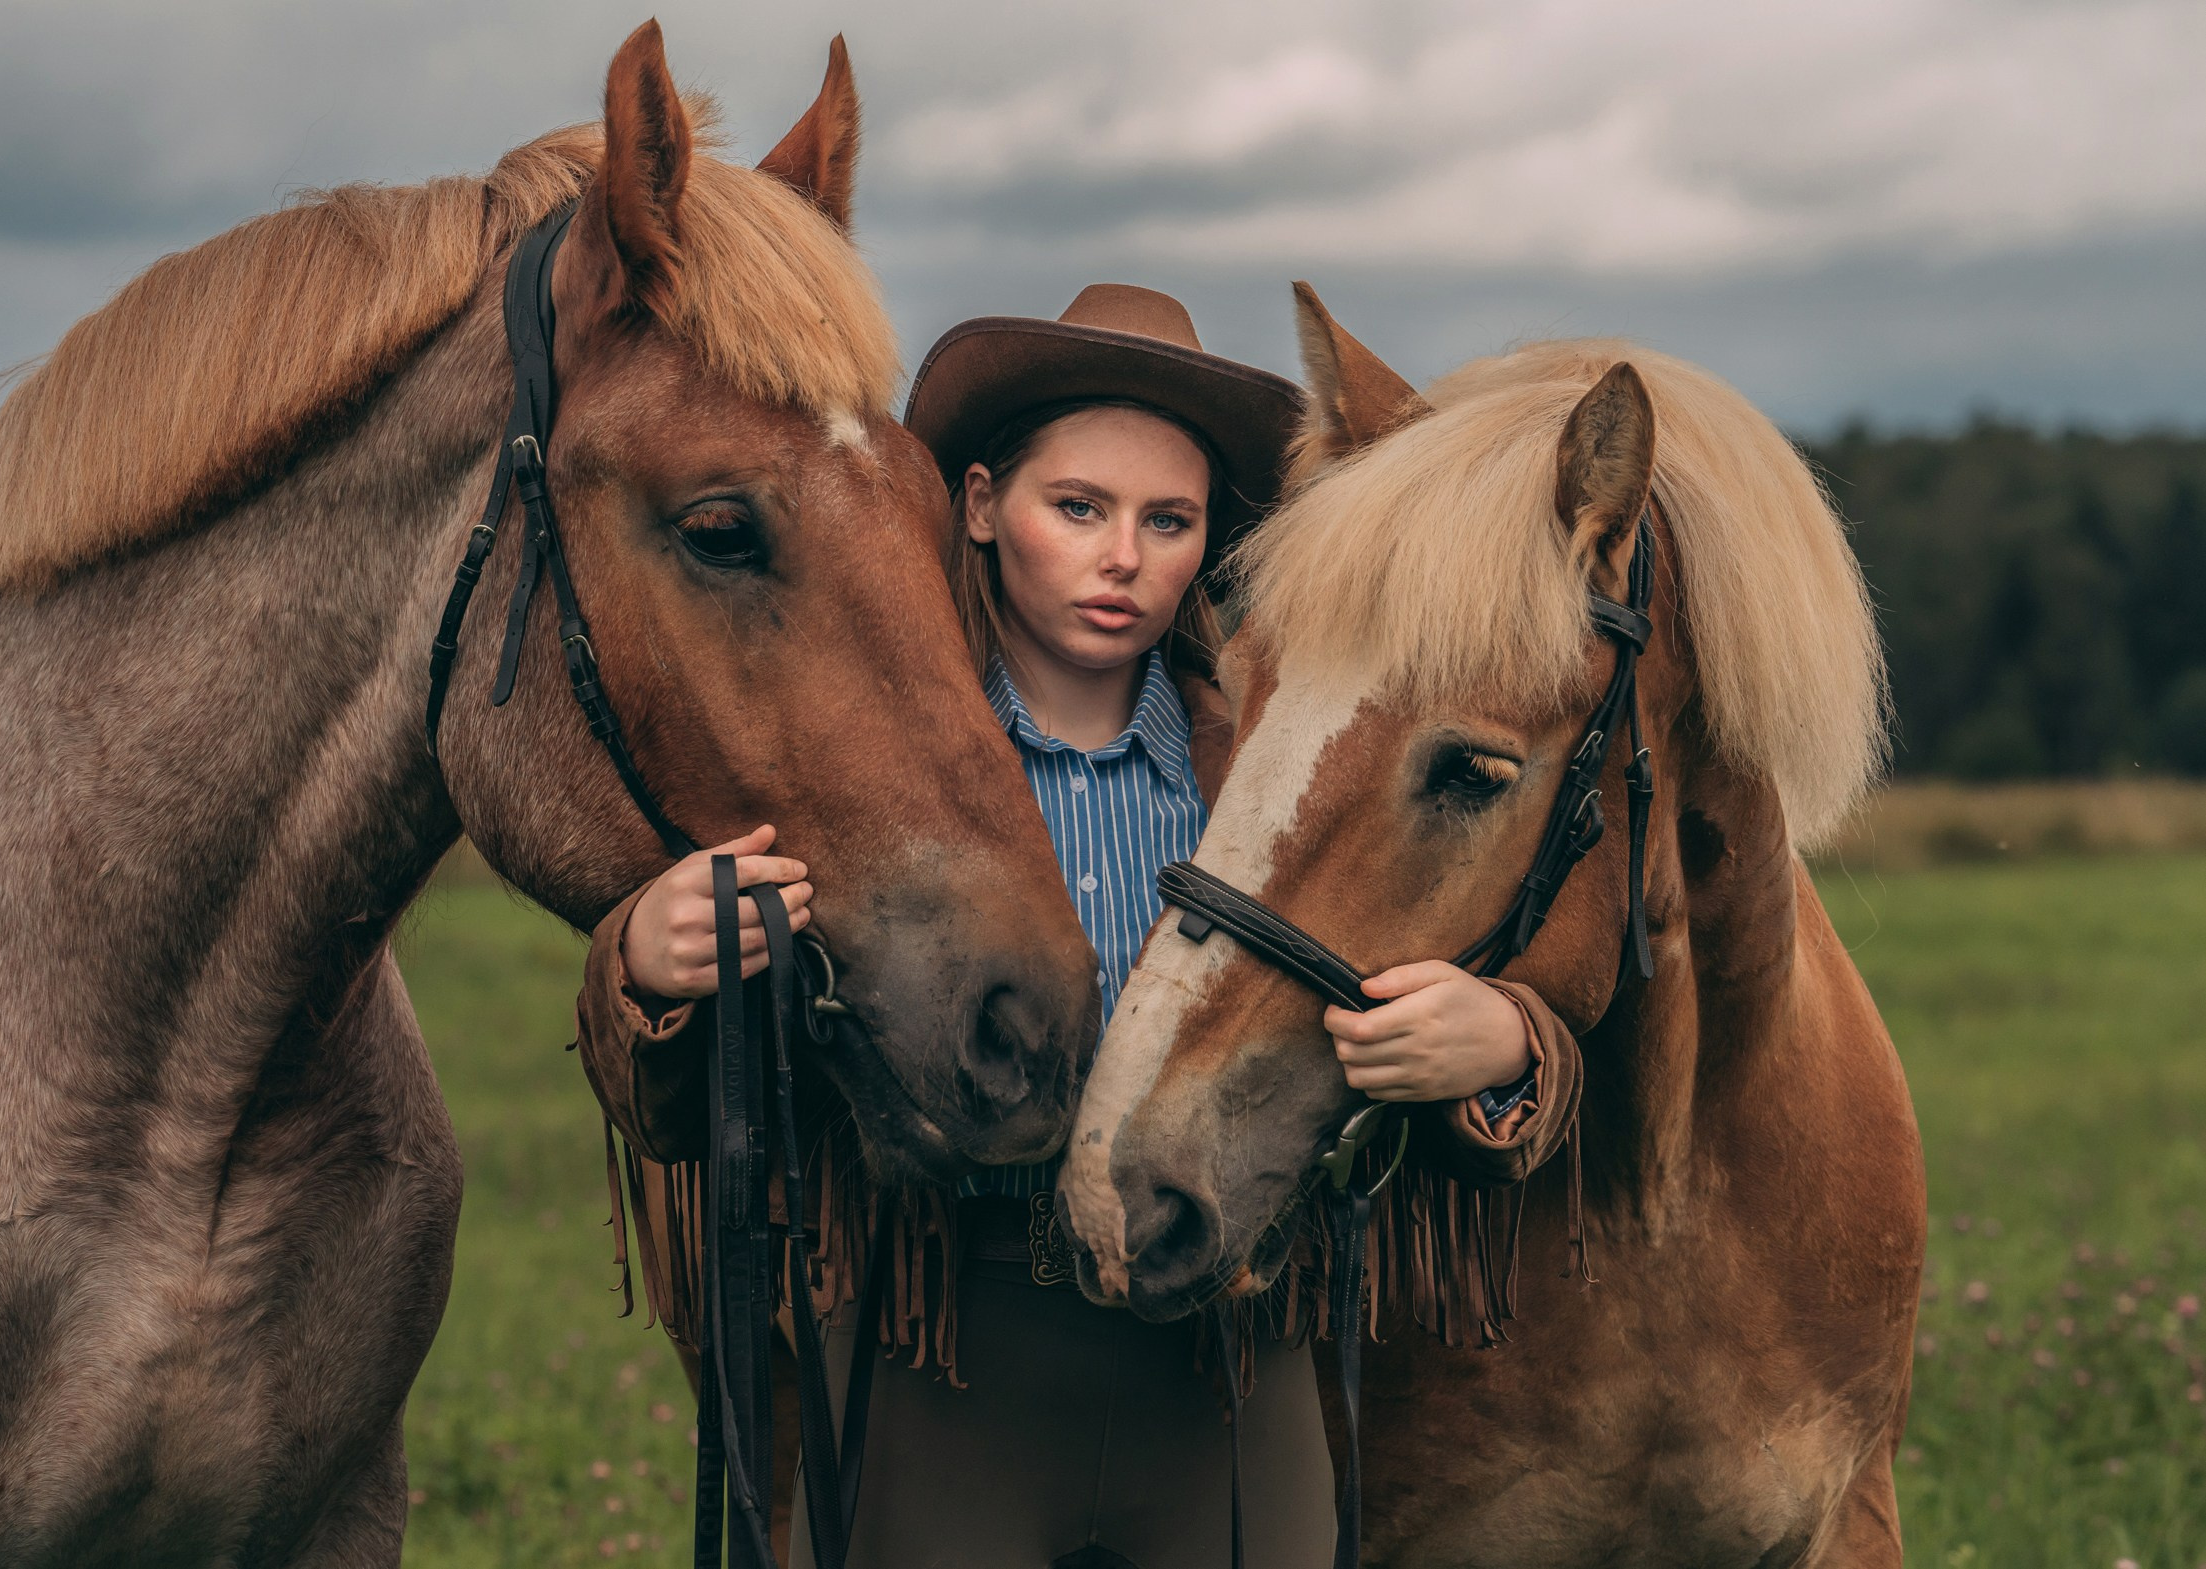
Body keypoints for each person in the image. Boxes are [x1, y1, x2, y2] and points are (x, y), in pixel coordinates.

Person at [572, 285, 1581, 1568]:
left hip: (1229, 1356)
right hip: (940, 1339)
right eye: (1079, 509)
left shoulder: (1268, 778)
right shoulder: (871, 783)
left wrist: (1503, 1041)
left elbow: (1434, 942)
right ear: (984, 507)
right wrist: (650, 971)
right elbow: (684, 1085)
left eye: (1170, 521)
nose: (1124, 558)